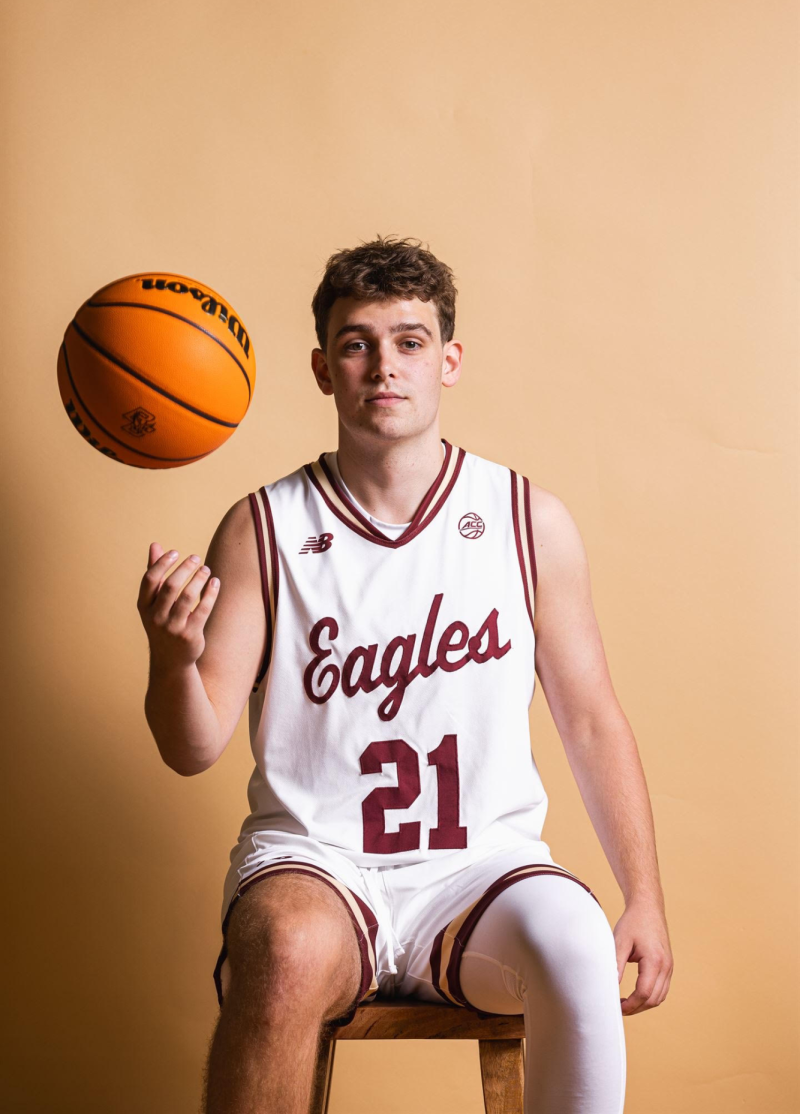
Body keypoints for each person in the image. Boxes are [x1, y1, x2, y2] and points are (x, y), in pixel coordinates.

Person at [138, 235, 673, 1114]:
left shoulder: (524, 518)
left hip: (477, 873)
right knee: (285, 951)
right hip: (316, 863)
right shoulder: (263, 529)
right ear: (322, 368)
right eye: (356, 343)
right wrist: (171, 656)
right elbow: (192, 746)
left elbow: (591, 721)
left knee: (576, 935)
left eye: (409, 340)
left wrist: (644, 898)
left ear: (448, 360)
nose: (383, 365)